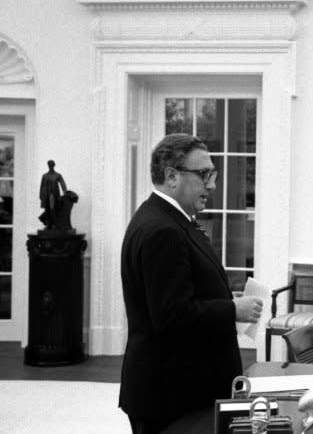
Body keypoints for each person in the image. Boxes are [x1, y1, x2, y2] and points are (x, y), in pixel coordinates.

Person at [119, 133, 263, 433]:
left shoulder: (167, 219)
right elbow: (171, 315)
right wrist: (231, 309)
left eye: (213, 174)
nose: (211, 184)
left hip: (179, 392)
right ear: (171, 177)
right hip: (172, 398)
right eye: (203, 174)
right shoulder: (163, 230)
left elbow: (182, 292)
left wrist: (224, 297)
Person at [38, 159, 66, 230]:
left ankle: (54, 224)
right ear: (48, 166)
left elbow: (63, 184)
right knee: (47, 210)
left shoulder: (57, 175)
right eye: (49, 165)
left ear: (54, 165)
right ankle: (49, 224)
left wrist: (65, 193)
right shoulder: (44, 176)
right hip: (46, 195)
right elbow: (42, 186)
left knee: (53, 209)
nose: (50, 166)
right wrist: (41, 196)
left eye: (51, 165)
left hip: (54, 195)